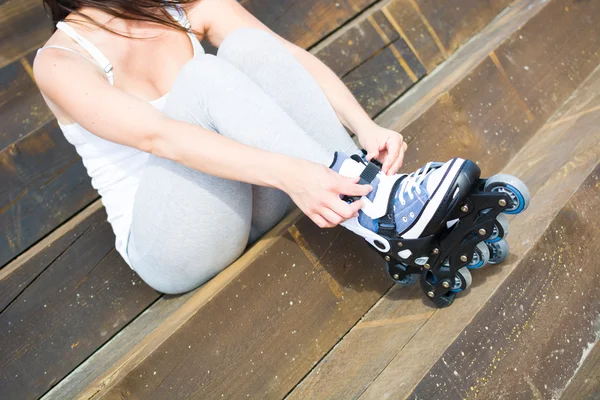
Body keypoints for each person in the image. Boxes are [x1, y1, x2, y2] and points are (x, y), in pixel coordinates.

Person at [34, 0, 413, 294]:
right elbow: (161, 137)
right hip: (175, 244)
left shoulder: (182, 7)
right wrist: (295, 175)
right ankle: (377, 206)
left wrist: (364, 127)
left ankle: (370, 195)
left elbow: (286, 59)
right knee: (202, 77)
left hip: (251, 196)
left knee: (249, 44)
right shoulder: (61, 61)